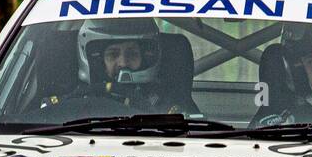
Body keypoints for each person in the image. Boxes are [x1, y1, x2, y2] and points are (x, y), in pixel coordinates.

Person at [39, 18, 196, 115]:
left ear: (146, 57)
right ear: (98, 61)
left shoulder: (164, 102)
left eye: (132, 54)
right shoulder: (72, 101)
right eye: (113, 55)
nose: (123, 63)